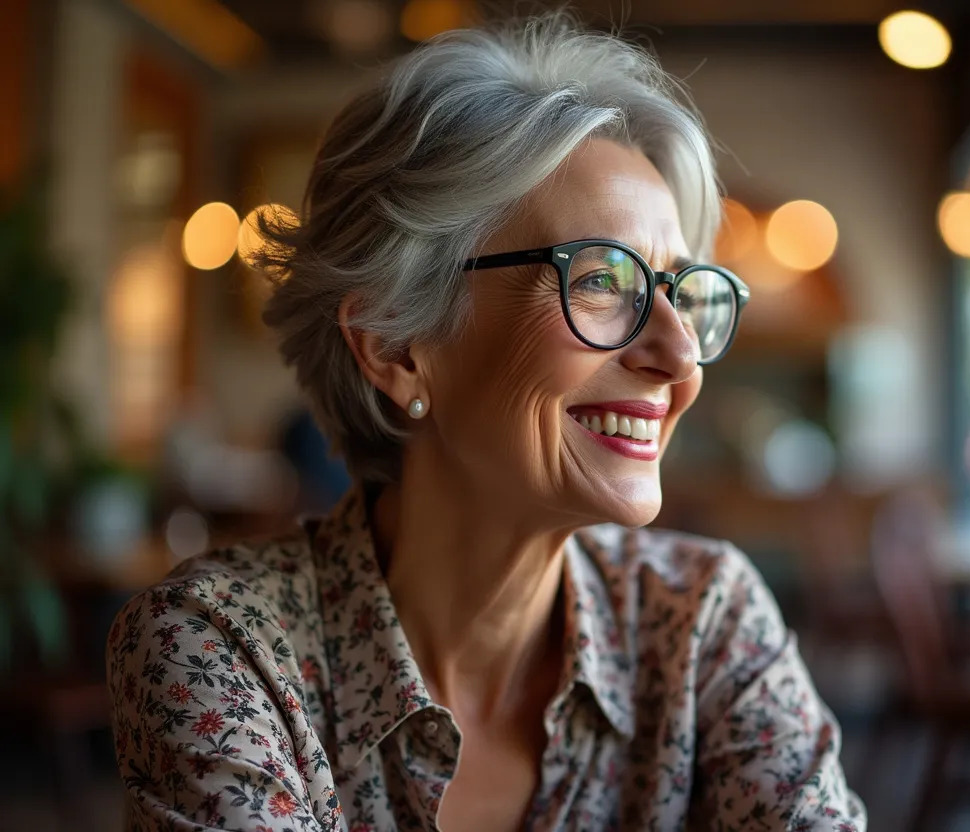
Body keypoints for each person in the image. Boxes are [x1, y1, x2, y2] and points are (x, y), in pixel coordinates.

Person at [107, 13, 865, 831]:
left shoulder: (703, 625)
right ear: (397, 346)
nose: (681, 355)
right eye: (604, 280)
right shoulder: (225, 651)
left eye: (680, 291)